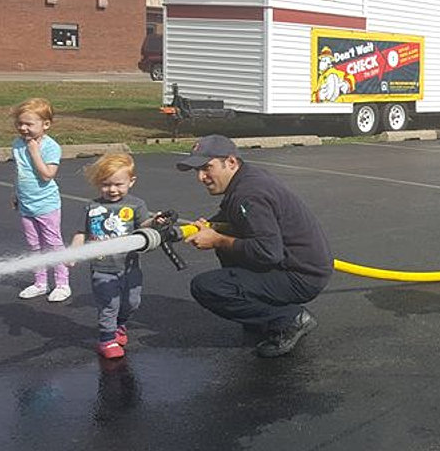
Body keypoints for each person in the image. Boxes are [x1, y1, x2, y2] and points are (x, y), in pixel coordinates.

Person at [179, 135, 333, 358]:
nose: (201, 177)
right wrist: (208, 227)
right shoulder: (247, 179)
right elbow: (235, 218)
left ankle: (289, 319)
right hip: (300, 266)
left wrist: (217, 239)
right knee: (227, 247)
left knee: (206, 287)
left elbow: (268, 252)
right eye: (197, 170)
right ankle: (261, 314)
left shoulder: (250, 194)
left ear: (230, 162)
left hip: (301, 276)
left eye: (206, 168)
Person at [67, 153, 150, 359]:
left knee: (132, 302)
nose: (112, 190)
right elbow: (81, 232)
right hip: (102, 268)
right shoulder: (92, 207)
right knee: (108, 304)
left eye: (118, 184)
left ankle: (119, 326)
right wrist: (73, 252)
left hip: (129, 266)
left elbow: (145, 227)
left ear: (131, 181)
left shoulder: (136, 205)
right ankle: (106, 340)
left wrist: (156, 222)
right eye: (105, 184)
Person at [11, 98, 71, 302]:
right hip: (26, 204)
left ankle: (62, 284)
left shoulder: (50, 147)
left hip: (46, 205)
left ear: (46, 124)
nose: (23, 128)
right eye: (20, 123)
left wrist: (35, 152)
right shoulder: (17, 144)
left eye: (29, 124)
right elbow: (21, 172)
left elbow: (47, 175)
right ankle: (40, 283)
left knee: (53, 243)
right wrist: (16, 194)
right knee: (34, 245)